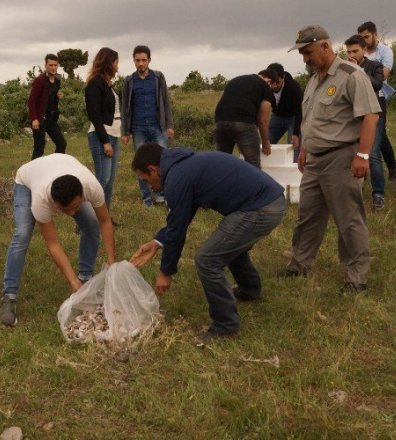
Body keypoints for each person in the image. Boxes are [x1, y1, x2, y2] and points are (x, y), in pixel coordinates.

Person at [129, 143, 286, 343]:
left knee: (207, 259)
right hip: (269, 202)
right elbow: (180, 218)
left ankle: (226, 326)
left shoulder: (177, 177)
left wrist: (165, 272)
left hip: (260, 208)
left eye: (146, 179)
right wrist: (157, 242)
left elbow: (177, 230)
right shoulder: (182, 167)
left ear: (153, 169)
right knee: (227, 244)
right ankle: (249, 290)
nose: (149, 186)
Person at [280, 25, 380, 292]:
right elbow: (312, 120)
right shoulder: (314, 79)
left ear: (325, 46)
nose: (305, 59)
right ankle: (298, 265)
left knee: (348, 219)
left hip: (342, 157)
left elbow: (370, 115)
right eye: (302, 54)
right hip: (315, 159)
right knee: (307, 215)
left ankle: (355, 276)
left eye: (308, 52)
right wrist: (305, 149)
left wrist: (362, 155)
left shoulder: (351, 75)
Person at [0, 153, 116, 327]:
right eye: (65, 209)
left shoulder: (92, 187)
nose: (71, 214)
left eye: (76, 207)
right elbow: (53, 243)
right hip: (27, 180)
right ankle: (9, 296)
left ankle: (85, 278)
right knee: (22, 234)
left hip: (62, 165)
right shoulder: (41, 199)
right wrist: (71, 281)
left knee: (91, 224)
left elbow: (105, 221)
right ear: (55, 202)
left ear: (82, 195)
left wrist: (112, 259)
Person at [120, 45, 175, 207]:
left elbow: (166, 102)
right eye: (138, 60)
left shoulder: (158, 78)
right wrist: (125, 131)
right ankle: (146, 199)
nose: (141, 63)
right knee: (141, 164)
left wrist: (169, 125)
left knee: (164, 161)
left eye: (144, 60)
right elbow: (124, 108)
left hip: (158, 127)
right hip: (138, 129)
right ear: (134, 61)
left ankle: (162, 194)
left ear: (149, 60)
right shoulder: (129, 81)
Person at [344, 35, 387, 210]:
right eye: (348, 51)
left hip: (371, 115)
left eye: (355, 51)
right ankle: (354, 192)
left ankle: (378, 194)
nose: (352, 54)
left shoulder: (374, 66)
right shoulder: (343, 68)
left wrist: (357, 70)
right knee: (352, 154)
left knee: (373, 155)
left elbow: (377, 84)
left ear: (364, 50)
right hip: (352, 117)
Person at [358, 21, 396, 180]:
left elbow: (383, 75)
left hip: (379, 97)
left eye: (366, 36)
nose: (364, 40)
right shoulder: (360, 51)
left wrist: (362, 75)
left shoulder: (386, 51)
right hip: (361, 98)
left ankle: (392, 168)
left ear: (375, 35)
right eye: (361, 37)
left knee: (379, 135)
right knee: (369, 134)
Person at [213, 70, 278, 168]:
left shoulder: (235, 80)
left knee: (221, 163)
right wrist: (265, 142)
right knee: (253, 165)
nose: (272, 89)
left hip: (220, 121)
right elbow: (262, 120)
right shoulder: (265, 87)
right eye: (272, 86)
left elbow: (221, 101)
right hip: (244, 123)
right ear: (269, 81)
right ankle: (254, 184)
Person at [85, 47, 121, 214]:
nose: (117, 65)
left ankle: (104, 219)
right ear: (108, 63)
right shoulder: (95, 83)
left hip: (113, 135)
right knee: (101, 180)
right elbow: (94, 115)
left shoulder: (107, 84)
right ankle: (87, 220)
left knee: (109, 181)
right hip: (102, 136)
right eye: (115, 62)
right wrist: (105, 141)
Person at [27, 54, 67, 159]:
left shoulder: (57, 81)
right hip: (40, 119)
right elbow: (31, 101)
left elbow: (49, 98)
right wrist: (34, 119)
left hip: (51, 119)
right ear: (46, 65)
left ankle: (54, 167)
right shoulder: (39, 81)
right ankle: (33, 173)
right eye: (51, 65)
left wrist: (57, 96)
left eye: (55, 65)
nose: (53, 67)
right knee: (39, 148)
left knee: (61, 143)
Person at [266, 62, 303, 159]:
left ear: (283, 77)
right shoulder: (265, 86)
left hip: (293, 118)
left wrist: (296, 133)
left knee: (294, 146)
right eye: (271, 82)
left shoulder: (294, 87)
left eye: (277, 82)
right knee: (267, 143)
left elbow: (300, 111)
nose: (274, 85)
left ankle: (295, 171)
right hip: (277, 117)